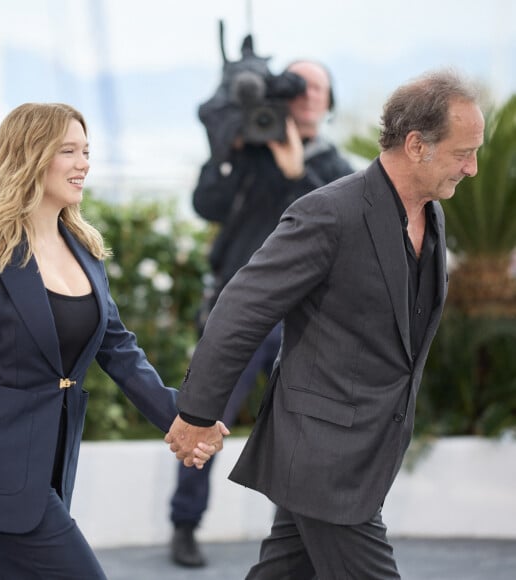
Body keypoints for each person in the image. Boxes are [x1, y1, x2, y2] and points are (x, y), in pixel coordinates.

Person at [165, 69, 485, 579]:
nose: (472, 169)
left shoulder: (431, 212)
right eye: (462, 153)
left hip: (363, 449)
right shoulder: (329, 212)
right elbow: (242, 309)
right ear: (416, 145)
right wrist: (198, 412)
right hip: (323, 455)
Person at [0, 103, 224, 580]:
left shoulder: (83, 249)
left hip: (49, 462)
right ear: (29, 156)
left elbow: (118, 349)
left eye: (86, 151)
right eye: (68, 151)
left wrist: (180, 418)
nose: (83, 163)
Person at [169, 60, 354, 567]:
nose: (309, 94)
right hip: (241, 312)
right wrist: (228, 150)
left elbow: (343, 234)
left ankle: (293, 542)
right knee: (203, 412)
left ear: (329, 98)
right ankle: (184, 526)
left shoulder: (338, 170)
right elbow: (207, 203)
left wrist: (299, 174)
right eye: (298, 86)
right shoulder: (251, 154)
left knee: (303, 432)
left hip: (307, 320)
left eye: (318, 85)